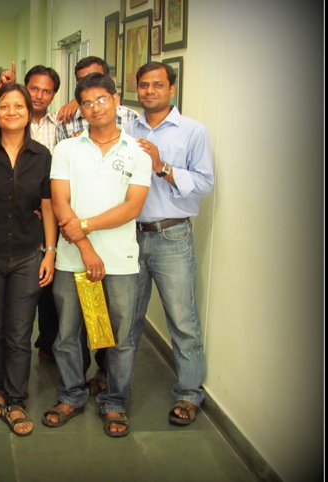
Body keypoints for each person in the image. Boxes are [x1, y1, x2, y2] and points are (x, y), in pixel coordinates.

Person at [48, 72, 151, 436]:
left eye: (102, 99)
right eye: (88, 102)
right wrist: (86, 248)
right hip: (72, 258)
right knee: (67, 334)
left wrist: (86, 226)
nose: (96, 108)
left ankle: (115, 402)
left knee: (120, 338)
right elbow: (60, 202)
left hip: (120, 261)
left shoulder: (138, 152)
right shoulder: (67, 149)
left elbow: (133, 207)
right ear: (81, 108)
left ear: (116, 100)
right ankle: (71, 395)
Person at [124, 61, 215, 426]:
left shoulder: (193, 131)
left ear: (172, 89)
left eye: (157, 85)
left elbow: (204, 183)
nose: (149, 91)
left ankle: (190, 393)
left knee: (182, 319)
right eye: (144, 85)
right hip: (129, 236)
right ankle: (118, 388)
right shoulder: (127, 128)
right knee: (126, 318)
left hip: (172, 236)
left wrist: (161, 166)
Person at [0, 83, 56, 437]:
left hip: (28, 255)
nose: (12, 112)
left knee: (19, 331)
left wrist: (50, 251)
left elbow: (47, 206)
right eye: (5, 106)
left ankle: (16, 399)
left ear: (28, 112)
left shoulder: (42, 156)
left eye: (19, 106)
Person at [23, 65, 62, 363]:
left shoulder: (62, 125)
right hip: (18, 214)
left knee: (50, 282)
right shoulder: (11, 117)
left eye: (46, 91)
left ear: (54, 94)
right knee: (21, 284)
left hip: (52, 212)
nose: (39, 95)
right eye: (34, 88)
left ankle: (48, 342)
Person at [56, 56, 139, 141]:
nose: (89, 83)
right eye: (83, 80)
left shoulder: (131, 117)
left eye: (95, 77)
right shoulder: (66, 123)